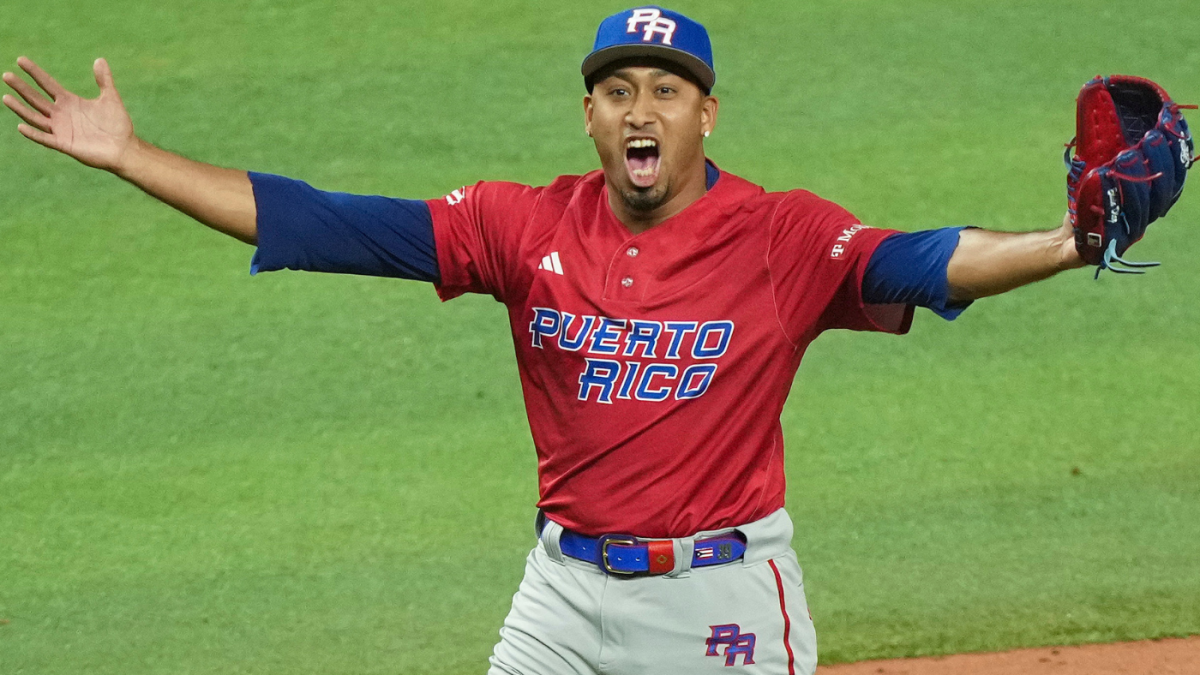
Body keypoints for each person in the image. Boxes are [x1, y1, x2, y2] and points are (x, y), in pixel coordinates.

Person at [3, 7, 1090, 675]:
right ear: (589, 115)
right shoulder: (524, 226)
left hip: (718, 606)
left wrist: (1069, 240)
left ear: (706, 115)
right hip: (561, 596)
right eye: (617, 91)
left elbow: (927, 261)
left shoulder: (779, 236)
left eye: (666, 91)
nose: (639, 111)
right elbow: (322, 222)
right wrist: (134, 157)